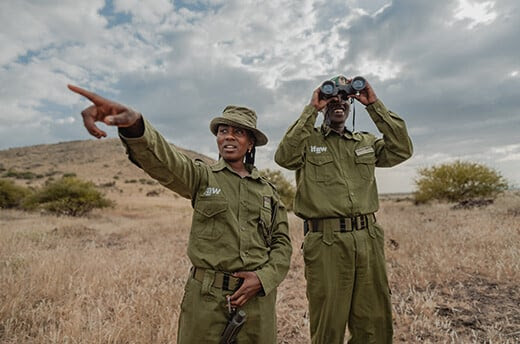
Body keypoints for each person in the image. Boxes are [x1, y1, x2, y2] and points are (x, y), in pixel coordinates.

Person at [68, 84, 292, 344]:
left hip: (257, 302)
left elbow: (282, 244)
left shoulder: (269, 191)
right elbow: (166, 161)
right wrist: (135, 125)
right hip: (206, 302)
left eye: (238, 132)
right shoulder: (202, 176)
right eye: (223, 131)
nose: (229, 137)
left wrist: (263, 279)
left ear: (250, 141)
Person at [274, 76, 413, 344]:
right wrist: (311, 109)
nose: (338, 104)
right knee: (329, 323)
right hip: (326, 242)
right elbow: (284, 157)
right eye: (332, 100)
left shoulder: (366, 142)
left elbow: (402, 149)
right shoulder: (307, 140)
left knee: (374, 322)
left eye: (344, 99)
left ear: (351, 104)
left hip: (368, 238)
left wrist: (374, 104)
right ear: (324, 104)